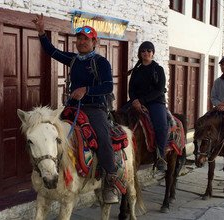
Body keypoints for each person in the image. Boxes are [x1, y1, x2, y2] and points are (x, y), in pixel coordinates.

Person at [32, 14, 119, 204]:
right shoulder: (74, 60)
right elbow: (52, 51)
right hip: (72, 107)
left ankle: (111, 180)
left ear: (94, 41)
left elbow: (108, 87)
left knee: (103, 138)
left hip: (95, 108)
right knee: (51, 132)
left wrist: (86, 90)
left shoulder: (101, 62)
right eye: (78, 39)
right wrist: (41, 33)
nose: (81, 42)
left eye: (85, 39)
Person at [126, 41, 168, 171]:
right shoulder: (136, 71)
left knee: (161, 125)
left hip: (155, 102)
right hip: (136, 101)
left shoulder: (158, 70)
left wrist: (142, 101)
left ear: (153, 53)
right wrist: (134, 100)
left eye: (149, 51)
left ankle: (161, 155)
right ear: (140, 54)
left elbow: (160, 89)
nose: (146, 53)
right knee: (118, 117)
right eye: (143, 51)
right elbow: (131, 89)